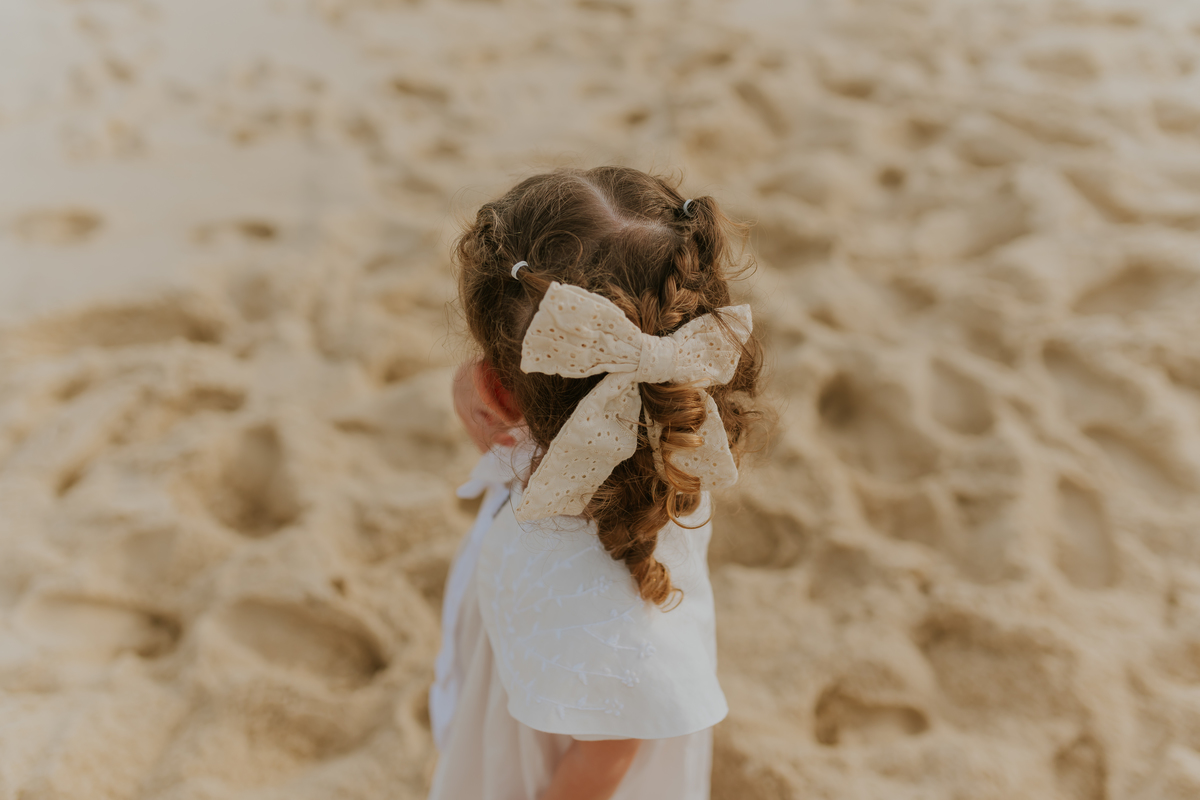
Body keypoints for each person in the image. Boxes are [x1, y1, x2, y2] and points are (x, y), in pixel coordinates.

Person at [428, 166, 765, 800]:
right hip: (556, 684)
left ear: (499, 391)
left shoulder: (606, 586)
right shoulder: (670, 426)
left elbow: (611, 750)